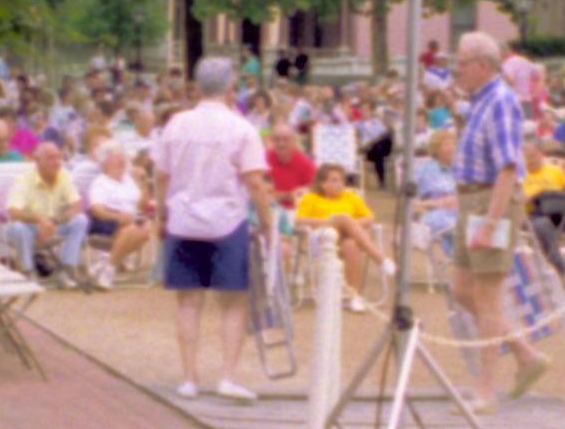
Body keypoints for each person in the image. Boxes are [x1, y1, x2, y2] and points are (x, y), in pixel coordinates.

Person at [150, 56, 273, 401]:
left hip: (184, 218)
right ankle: (227, 375)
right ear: (231, 88)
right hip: (226, 220)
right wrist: (266, 222)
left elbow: (161, 176)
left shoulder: (176, 124)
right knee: (232, 302)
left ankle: (189, 377)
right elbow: (254, 181)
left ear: (197, 87)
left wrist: (161, 215)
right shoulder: (241, 128)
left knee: (188, 302)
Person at [448, 32, 551, 405]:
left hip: (489, 201)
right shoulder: (477, 102)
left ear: (481, 65)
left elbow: (508, 167)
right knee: (461, 288)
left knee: (487, 296)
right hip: (471, 200)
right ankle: (525, 354)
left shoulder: (501, 101)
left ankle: (486, 388)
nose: (456, 70)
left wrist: (491, 221)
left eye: (461, 62)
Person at [290, 158, 387, 302]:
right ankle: (379, 258)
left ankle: (354, 296)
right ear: (323, 183)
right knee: (342, 218)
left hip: (346, 239)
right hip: (321, 239)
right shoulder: (311, 198)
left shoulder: (351, 197)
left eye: (341, 180)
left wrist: (349, 224)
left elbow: (370, 217)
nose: (339, 184)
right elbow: (298, 220)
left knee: (351, 245)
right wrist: (330, 222)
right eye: (334, 180)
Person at [0, 139, 89, 283]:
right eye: (50, 158)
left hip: (55, 224)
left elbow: (76, 205)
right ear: (37, 161)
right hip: (30, 226)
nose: (56, 162)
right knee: (17, 228)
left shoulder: (63, 175)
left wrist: (54, 221)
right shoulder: (24, 180)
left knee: (81, 220)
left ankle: (66, 270)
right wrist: (39, 220)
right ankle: (28, 271)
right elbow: (13, 212)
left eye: (58, 157)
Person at [81, 141, 154, 289]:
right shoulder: (100, 182)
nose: (121, 161)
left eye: (123, 158)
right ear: (105, 162)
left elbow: (142, 206)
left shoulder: (128, 180)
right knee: (135, 228)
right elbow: (96, 209)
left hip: (131, 221)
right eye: (116, 158)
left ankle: (107, 266)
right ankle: (109, 268)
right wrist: (118, 217)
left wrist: (144, 183)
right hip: (106, 221)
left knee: (144, 228)